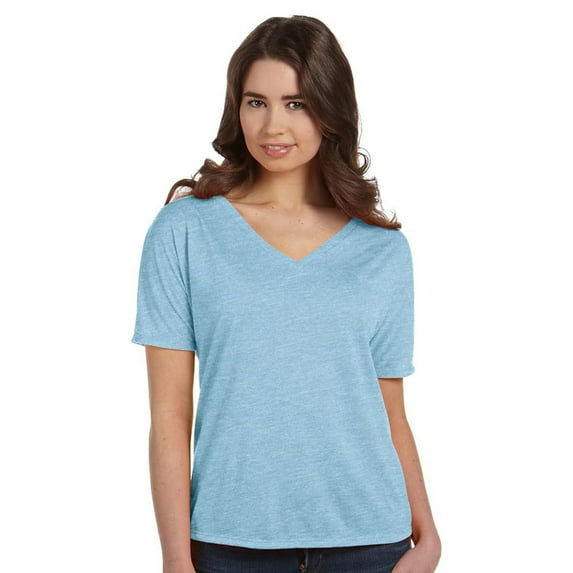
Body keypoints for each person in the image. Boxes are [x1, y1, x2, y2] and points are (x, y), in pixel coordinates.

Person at [131, 14, 441, 573]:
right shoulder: (184, 232)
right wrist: (175, 558)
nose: (273, 125)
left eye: (296, 103)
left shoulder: (383, 250)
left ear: (330, 108)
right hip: (229, 544)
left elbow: (390, 410)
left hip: (372, 542)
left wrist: (430, 537)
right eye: (257, 102)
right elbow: (169, 414)